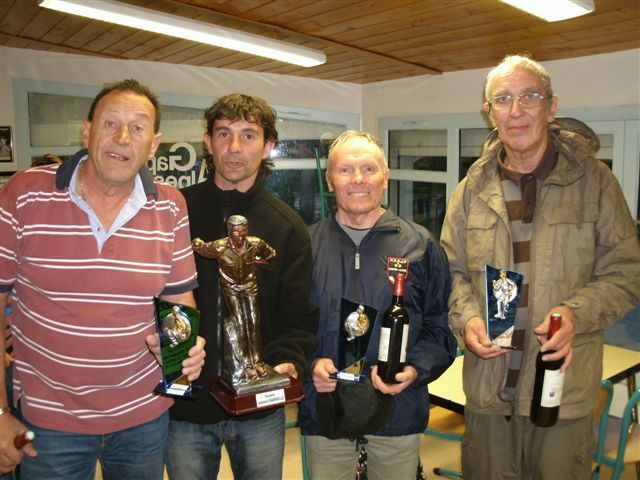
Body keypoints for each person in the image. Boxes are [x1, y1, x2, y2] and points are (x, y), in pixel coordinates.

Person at [440, 54, 640, 479]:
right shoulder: (469, 191)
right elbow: (451, 273)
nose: (516, 110)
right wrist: (469, 317)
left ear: (551, 107)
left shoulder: (596, 184)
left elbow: (627, 272)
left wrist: (576, 314)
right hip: (489, 389)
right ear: (489, 112)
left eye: (529, 97)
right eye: (503, 99)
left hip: (562, 390)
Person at [0, 78, 206, 479]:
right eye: (110, 123)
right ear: (87, 130)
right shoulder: (24, 193)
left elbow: (180, 303)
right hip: (48, 424)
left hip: (143, 419)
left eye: (138, 127)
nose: (123, 137)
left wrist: (184, 353)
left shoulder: (170, 206)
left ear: (154, 143)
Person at [166, 93, 318, 480]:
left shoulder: (287, 227)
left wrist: (288, 362)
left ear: (268, 146)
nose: (234, 148)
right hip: (187, 407)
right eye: (224, 134)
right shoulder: (173, 214)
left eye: (248, 135)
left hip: (258, 410)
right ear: (207, 141)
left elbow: (298, 318)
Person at [298, 130, 457, 480]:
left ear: (385, 178)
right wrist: (309, 364)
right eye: (345, 170)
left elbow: (441, 328)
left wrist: (415, 370)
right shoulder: (304, 246)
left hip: (397, 408)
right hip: (325, 406)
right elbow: (287, 325)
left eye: (369, 169)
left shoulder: (421, 246)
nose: (358, 179)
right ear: (329, 180)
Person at [192, 214, 277, 383]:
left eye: (244, 232)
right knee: (239, 323)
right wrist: (196, 242)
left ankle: (257, 361)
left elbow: (271, 254)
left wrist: (262, 259)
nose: (240, 236)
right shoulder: (220, 246)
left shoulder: (255, 243)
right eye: (237, 232)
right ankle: (246, 363)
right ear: (229, 232)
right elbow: (202, 248)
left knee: (253, 321)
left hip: (250, 286)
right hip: (231, 289)